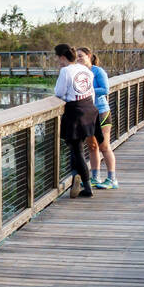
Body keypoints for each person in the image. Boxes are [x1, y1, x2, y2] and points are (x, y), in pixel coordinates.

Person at [54, 43, 97, 198]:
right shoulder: (85, 69)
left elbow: (58, 92)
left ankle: (87, 186)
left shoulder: (66, 71)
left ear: (62, 57)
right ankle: (75, 181)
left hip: (75, 112)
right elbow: (90, 90)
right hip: (89, 109)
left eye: (58, 57)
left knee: (77, 151)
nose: (58, 61)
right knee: (76, 148)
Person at [76, 47, 118, 189]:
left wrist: (88, 91)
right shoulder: (79, 73)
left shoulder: (97, 71)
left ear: (89, 56)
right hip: (87, 113)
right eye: (76, 57)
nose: (78, 59)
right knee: (92, 146)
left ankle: (112, 179)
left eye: (81, 56)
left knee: (104, 146)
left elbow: (105, 89)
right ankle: (95, 178)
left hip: (101, 112)